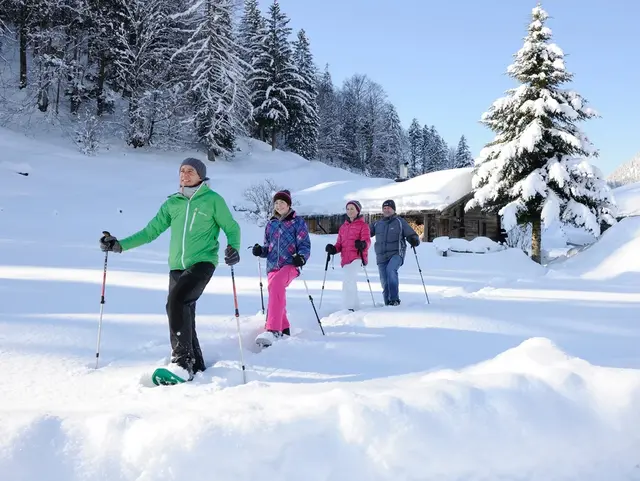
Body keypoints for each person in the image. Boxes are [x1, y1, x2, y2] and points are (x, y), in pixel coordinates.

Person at [99, 157, 241, 380]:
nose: (185, 174)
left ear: (201, 175)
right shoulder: (172, 203)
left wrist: (234, 248)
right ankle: (197, 364)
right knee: (184, 311)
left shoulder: (213, 200)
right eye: (182, 170)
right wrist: (120, 245)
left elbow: (232, 228)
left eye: (190, 171)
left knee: (176, 302)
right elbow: (150, 232)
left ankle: (182, 363)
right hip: (176, 267)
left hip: (202, 263)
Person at [251, 189, 310, 347]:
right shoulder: (271, 224)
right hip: (272, 265)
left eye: (282, 203)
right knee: (275, 290)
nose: (279, 205)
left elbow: (304, 244)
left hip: (290, 264)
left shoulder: (298, 222)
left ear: (288, 204)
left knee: (276, 285)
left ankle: (273, 330)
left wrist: (302, 257)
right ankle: (284, 328)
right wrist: (260, 251)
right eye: (276, 203)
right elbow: (267, 247)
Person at [369, 199, 420, 306]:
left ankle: (394, 300)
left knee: (391, 270)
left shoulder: (399, 222)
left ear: (393, 209)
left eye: (389, 208)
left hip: (397, 254)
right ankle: (387, 303)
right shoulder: (378, 224)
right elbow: (365, 233)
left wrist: (413, 239)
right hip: (381, 256)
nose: (386, 210)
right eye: (385, 208)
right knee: (384, 281)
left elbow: (411, 234)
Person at [325, 200, 371, 311]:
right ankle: (355, 305)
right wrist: (333, 249)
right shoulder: (343, 227)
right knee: (351, 281)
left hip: (357, 257)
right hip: (345, 259)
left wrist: (362, 244)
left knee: (348, 280)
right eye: (348, 209)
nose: (349, 211)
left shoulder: (363, 226)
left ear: (357, 211)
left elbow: (367, 241)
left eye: (352, 209)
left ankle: (348, 307)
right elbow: (339, 245)